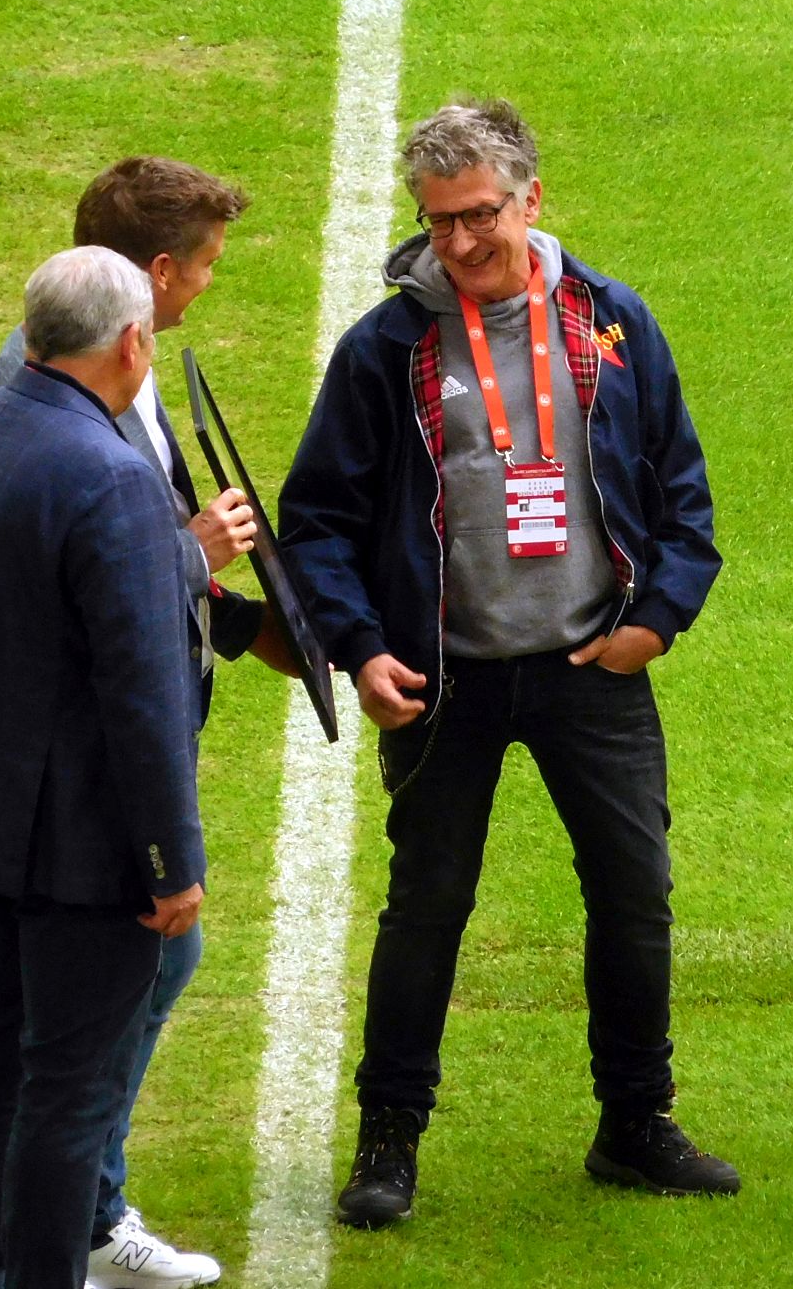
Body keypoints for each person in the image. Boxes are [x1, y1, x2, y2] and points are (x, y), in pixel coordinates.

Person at [278, 98, 736, 1228]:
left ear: (532, 198)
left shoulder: (612, 323)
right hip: (443, 681)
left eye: (480, 214)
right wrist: (361, 649)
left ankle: (634, 1123)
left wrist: (656, 621)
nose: (461, 241)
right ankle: (389, 1141)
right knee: (426, 909)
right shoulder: (385, 348)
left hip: (594, 669)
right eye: (438, 221)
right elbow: (317, 520)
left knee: (633, 897)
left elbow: (682, 492)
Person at [0, 157, 293, 1287]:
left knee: (111, 996)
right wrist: (193, 553)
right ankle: (75, 1225)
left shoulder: (106, 368)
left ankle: (76, 1214)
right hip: (82, 769)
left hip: (60, 761)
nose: (210, 283)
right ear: (157, 274)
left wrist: (246, 624)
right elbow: (88, 578)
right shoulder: (65, 390)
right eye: (205, 265)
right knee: (104, 1003)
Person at [0, 246, 208, 1288]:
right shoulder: (113, 480)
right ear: (131, 343)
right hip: (84, 849)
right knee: (69, 1092)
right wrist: (171, 862)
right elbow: (144, 696)